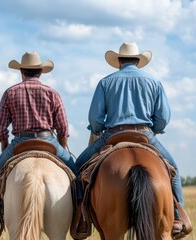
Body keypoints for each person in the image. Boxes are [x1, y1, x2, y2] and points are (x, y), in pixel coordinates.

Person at [75, 42, 186, 236]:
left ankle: (81, 219)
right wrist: (155, 129)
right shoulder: (154, 82)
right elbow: (163, 118)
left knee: (77, 167)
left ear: (118, 61)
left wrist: (97, 129)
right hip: (145, 135)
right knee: (173, 170)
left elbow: (95, 118)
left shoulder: (106, 82)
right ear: (139, 61)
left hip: (112, 135)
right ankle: (178, 218)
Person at [0, 52, 78, 236]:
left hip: (20, 141)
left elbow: (1, 128)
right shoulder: (52, 93)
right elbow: (63, 128)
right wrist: (62, 146)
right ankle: (82, 216)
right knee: (76, 173)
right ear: (41, 72)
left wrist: (5, 147)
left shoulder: (10, 92)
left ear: (21, 71)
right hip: (48, 141)